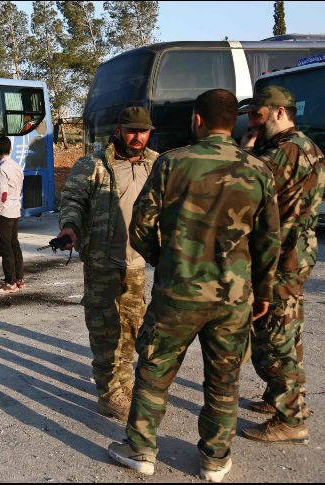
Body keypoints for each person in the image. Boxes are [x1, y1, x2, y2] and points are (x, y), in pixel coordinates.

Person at [107, 89, 281, 483]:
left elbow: (141, 227)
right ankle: (214, 460)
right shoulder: (258, 170)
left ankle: (140, 450)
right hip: (233, 297)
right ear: (232, 121)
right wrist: (263, 292)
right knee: (224, 380)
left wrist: (166, 263)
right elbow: (269, 240)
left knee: (154, 369)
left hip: (178, 293)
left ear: (197, 120)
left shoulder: (171, 164)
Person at [56, 106, 158, 421]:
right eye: (131, 131)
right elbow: (72, 202)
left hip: (136, 264)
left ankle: (123, 387)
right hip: (101, 263)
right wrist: (70, 228)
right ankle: (108, 394)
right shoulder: (92, 165)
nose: (138, 137)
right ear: (118, 131)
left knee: (130, 330)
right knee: (103, 332)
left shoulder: (157, 165)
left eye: (143, 131)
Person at [238, 85, 325, 444]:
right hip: (290, 252)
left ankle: (291, 417)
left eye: (256, 114)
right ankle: (280, 399)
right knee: (286, 332)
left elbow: (243, 186)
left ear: (277, 112)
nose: (250, 121)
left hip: (281, 256)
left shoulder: (285, 151)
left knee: (275, 338)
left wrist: (242, 153)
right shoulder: (293, 146)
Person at [0, 136, 25, 295]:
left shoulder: (2, 169)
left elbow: (2, 195)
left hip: (4, 212)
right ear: (10, 149)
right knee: (14, 245)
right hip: (15, 209)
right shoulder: (17, 166)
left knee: (5, 248)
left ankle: (9, 283)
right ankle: (19, 279)